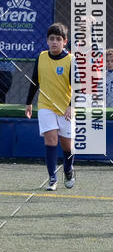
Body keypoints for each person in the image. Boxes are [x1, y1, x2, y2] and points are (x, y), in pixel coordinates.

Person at [25, 23, 75, 190]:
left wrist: (71, 106)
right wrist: (29, 103)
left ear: (65, 42)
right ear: (47, 41)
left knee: (67, 145)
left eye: (58, 39)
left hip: (65, 108)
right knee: (51, 139)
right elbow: (34, 81)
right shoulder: (41, 57)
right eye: (52, 39)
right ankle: (52, 178)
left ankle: (68, 170)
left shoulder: (71, 60)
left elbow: (79, 86)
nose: (55, 42)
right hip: (45, 105)